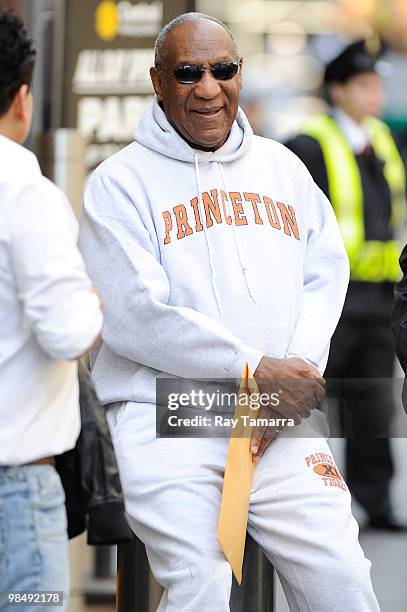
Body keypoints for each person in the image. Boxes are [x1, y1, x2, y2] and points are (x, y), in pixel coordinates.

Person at [80, 13, 380, 611]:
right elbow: (136, 315)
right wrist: (254, 371)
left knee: (344, 576)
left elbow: (326, 269)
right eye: (188, 72)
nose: (208, 87)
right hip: (167, 413)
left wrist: (294, 373)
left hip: (276, 415)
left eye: (223, 70)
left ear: (240, 73)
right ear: (157, 81)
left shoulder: (282, 167)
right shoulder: (118, 182)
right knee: (202, 582)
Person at [0, 9, 103, 611]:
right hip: (15, 486)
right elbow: (68, 331)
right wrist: (92, 302)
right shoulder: (24, 191)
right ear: (21, 99)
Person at [286, 39, 407, 531]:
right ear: (337, 90)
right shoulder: (309, 143)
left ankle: (375, 502)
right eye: (363, 85)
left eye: (377, 85)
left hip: (379, 299)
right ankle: (298, 502)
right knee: (306, 403)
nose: (374, 95)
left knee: (373, 405)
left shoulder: (383, 141)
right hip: (329, 297)